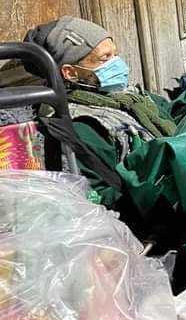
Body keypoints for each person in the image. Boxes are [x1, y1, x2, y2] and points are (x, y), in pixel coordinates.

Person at [22, 16, 177, 212]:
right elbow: (106, 195)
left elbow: (170, 112)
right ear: (70, 72)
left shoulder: (124, 96)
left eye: (115, 55)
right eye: (105, 58)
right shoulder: (84, 125)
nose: (118, 64)